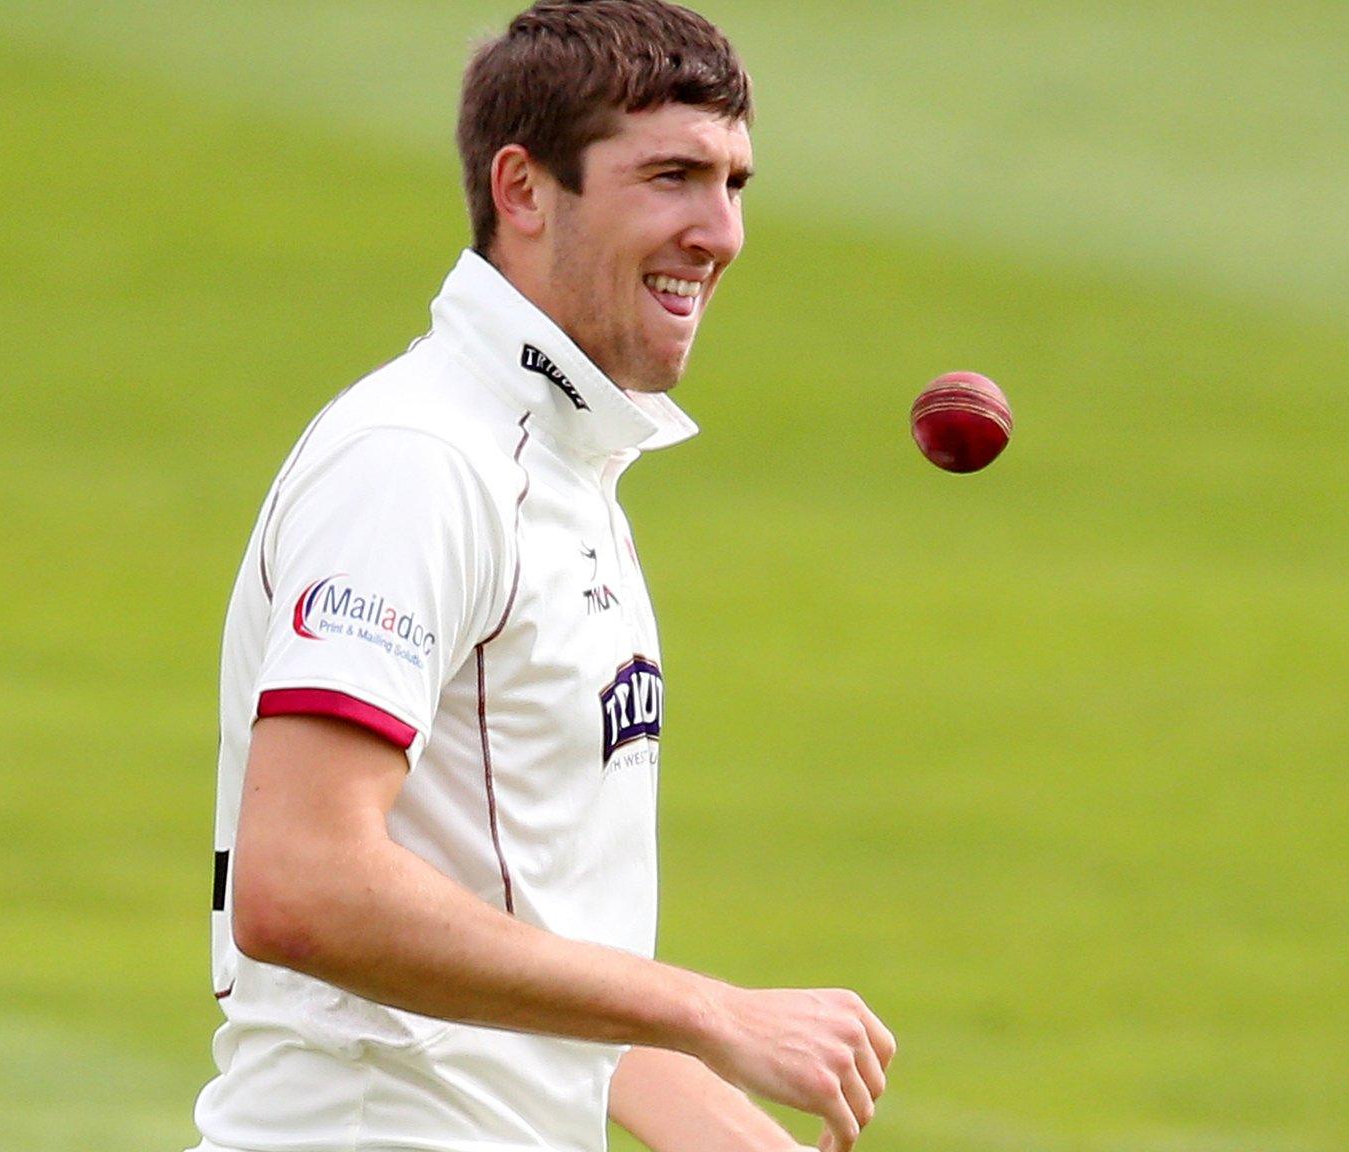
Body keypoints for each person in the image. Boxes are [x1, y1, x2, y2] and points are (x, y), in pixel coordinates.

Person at [187, 4, 894, 1151]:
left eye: (734, 182)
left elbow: (514, 929)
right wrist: (706, 1011)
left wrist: (712, 1121)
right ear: (522, 190)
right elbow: (302, 882)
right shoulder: (419, 462)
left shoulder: (558, 469)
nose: (718, 231)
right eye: (670, 176)